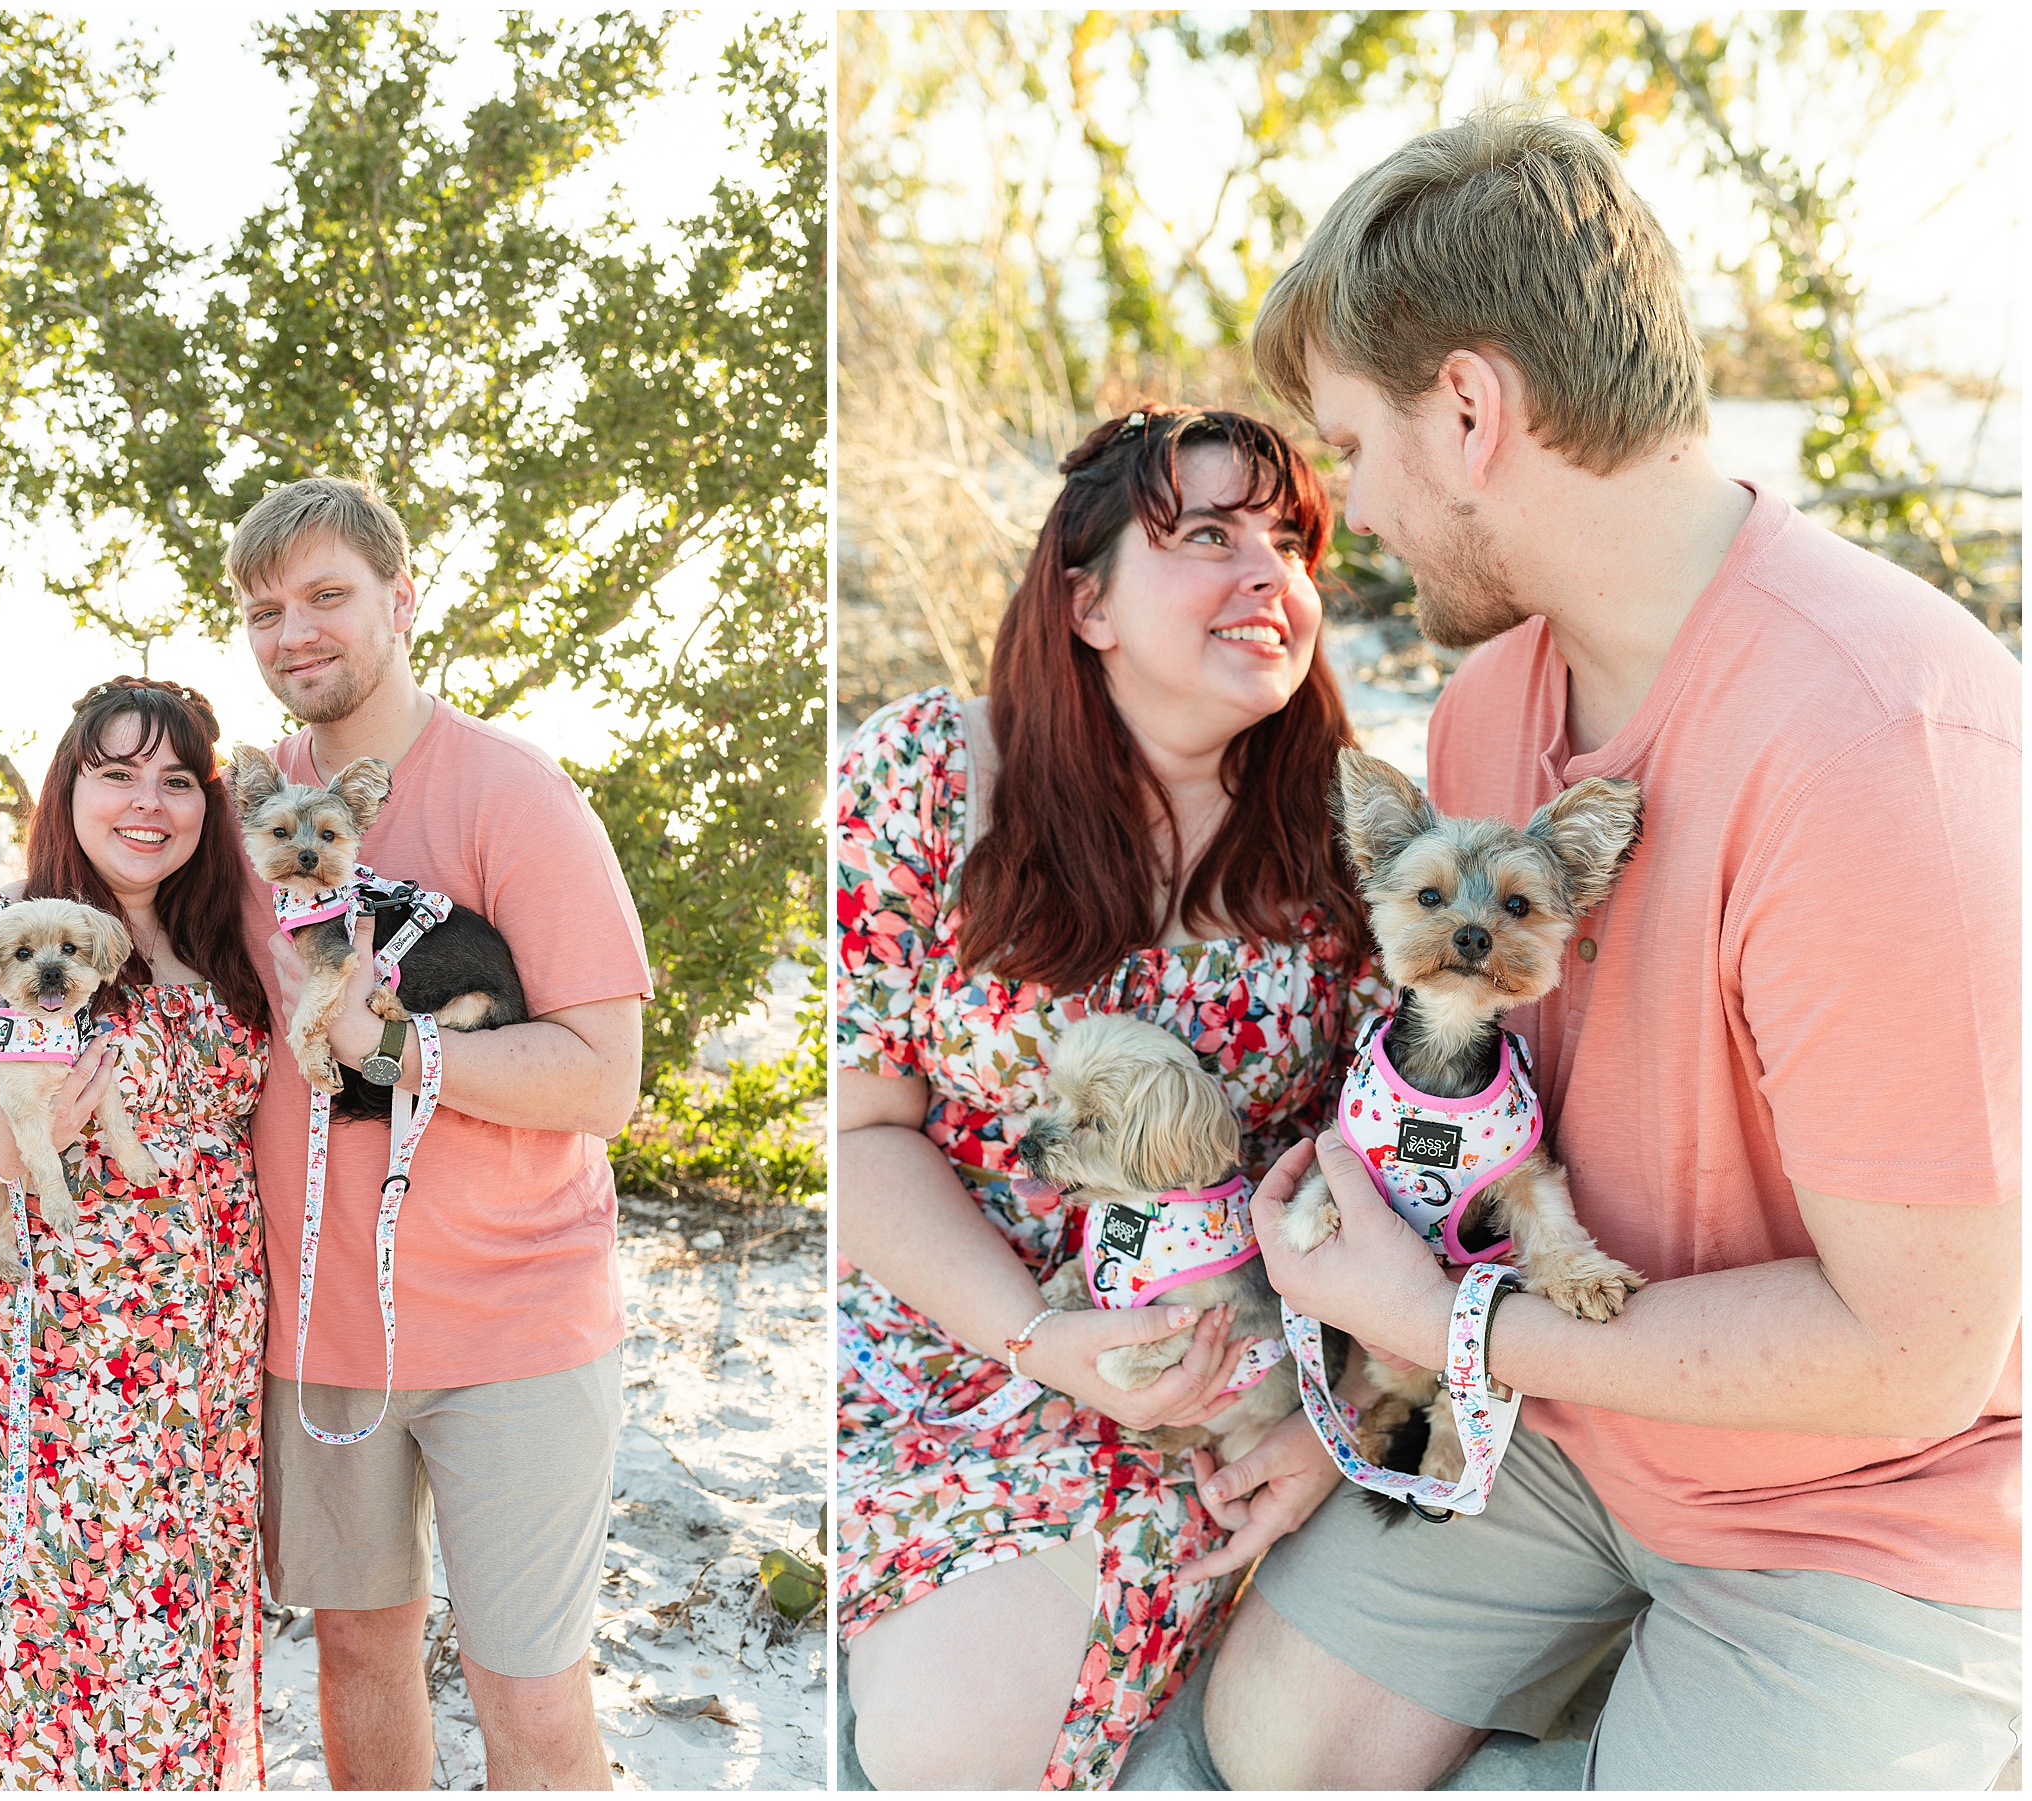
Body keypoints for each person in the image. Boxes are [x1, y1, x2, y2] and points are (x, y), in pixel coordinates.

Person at [1194, 109, 2022, 1791]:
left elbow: (1923, 1347)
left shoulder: (1882, 742)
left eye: (1352, 448)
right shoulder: (1499, 703)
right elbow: (1495, 1110)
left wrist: (1455, 1327)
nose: (1348, 512)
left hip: (1872, 1496)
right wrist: (1363, 1373)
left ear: (1473, 413)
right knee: (1272, 1742)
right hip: (1575, 1425)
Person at [0, 476, 652, 1790]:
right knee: (358, 1662)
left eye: (326, 598)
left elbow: (604, 1081)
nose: (293, 630)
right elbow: (118, 894)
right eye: (262, 609)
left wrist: (401, 1049)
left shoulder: (513, 794)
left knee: (528, 1703)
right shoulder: (241, 812)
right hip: (306, 1338)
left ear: (402, 602)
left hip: (512, 1329)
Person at [836, 405, 1393, 1790]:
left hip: (1215, 1385)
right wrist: (1035, 1338)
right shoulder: (929, 777)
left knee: (956, 1739)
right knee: (941, 1738)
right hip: (950, 1334)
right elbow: (860, 1133)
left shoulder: (1356, 843)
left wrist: (1341, 1424)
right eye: (1207, 536)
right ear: (1085, 602)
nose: (1269, 576)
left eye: (1290, 542)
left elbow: (1407, 1181)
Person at [0, 677, 275, 1788]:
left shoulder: (237, 949)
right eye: (115, 773)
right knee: (42, 1674)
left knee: (174, 1688)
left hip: (203, 1410)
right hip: (50, 1396)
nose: (147, 802)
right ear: (66, 787)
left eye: (178, 780)